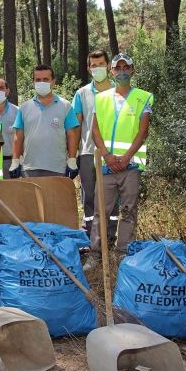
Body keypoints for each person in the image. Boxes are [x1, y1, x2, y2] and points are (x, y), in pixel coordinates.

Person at [87, 53, 153, 268]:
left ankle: (123, 254)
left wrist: (125, 158)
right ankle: (96, 255)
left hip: (130, 166)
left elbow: (143, 132)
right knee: (100, 212)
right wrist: (106, 155)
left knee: (128, 210)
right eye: (118, 68)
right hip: (106, 165)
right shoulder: (101, 98)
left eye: (127, 67)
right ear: (112, 71)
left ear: (133, 70)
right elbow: (94, 129)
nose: (122, 71)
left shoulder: (143, 97)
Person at [73, 51, 119, 240]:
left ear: (108, 66)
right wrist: (72, 155)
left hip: (114, 154)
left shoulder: (119, 92)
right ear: (88, 68)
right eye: (93, 65)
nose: (97, 68)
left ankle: (109, 235)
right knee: (89, 196)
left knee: (113, 197)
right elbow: (77, 125)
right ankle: (90, 235)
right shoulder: (82, 93)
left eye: (101, 64)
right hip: (87, 152)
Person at [11, 65, 81, 178]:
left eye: (45, 79)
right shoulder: (24, 107)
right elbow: (18, 136)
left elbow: (71, 135)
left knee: (56, 196)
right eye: (38, 80)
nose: (41, 83)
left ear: (53, 82)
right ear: (33, 82)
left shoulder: (65, 106)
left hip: (58, 168)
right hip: (30, 167)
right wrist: (15, 161)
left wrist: (72, 160)